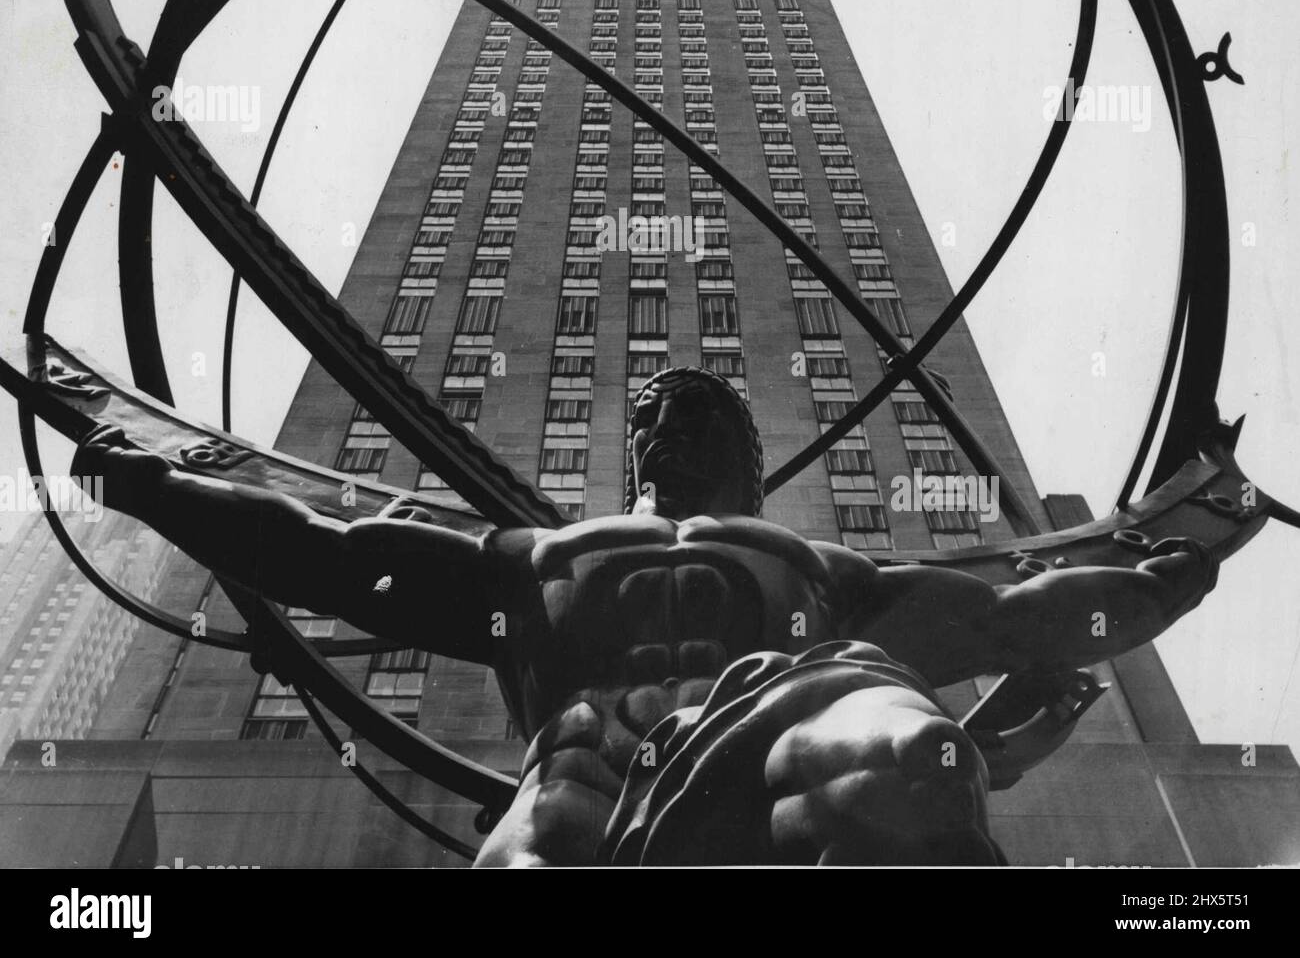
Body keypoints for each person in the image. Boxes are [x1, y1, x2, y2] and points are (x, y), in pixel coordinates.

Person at [72, 366, 1217, 866]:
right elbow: (336, 558)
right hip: (582, 786)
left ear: (750, 460)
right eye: (654, 416)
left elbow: (1015, 622)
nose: (668, 424)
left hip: (781, 746)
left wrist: (1158, 583)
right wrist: (154, 485)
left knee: (914, 755)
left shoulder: (821, 565)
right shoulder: (540, 554)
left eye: (699, 413)